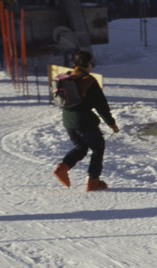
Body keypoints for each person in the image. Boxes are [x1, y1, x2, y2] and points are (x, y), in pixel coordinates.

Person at [52, 51, 119, 192]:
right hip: (85, 122)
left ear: (74, 64)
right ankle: (93, 181)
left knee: (80, 148)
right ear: (88, 64)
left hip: (68, 121)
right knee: (98, 147)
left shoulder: (66, 78)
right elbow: (101, 105)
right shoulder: (88, 80)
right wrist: (111, 123)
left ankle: (62, 168)